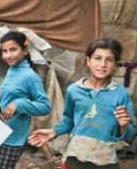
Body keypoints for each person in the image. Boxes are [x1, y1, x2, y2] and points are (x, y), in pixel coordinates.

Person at [28, 37, 135, 169]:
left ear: (115, 63)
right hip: (74, 160)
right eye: (97, 58)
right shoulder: (74, 90)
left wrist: (124, 126)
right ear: (88, 60)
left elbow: (129, 134)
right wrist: (53, 132)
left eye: (109, 59)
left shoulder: (120, 93)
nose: (103, 64)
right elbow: (69, 121)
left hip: (105, 163)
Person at [0, 31, 51, 169]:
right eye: (4, 51)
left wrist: (19, 104)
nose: (8, 55)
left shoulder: (30, 76)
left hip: (12, 140)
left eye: (13, 50)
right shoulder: (12, 70)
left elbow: (45, 106)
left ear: (25, 50)